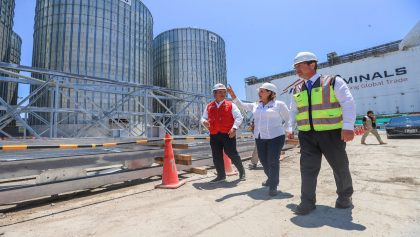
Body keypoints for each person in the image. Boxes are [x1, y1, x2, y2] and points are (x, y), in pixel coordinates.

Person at [288, 52, 356, 215]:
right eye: (295, 67)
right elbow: (293, 110)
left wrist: (348, 126)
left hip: (331, 133)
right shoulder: (297, 87)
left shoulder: (333, 81)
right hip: (307, 135)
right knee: (307, 169)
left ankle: (344, 197)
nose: (296, 69)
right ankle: (307, 202)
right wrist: (290, 128)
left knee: (340, 167)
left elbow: (347, 102)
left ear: (312, 65)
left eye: (299, 65)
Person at [227, 82, 289, 196]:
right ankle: (270, 178)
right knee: (263, 160)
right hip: (260, 137)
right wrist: (232, 94)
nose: (259, 93)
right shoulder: (256, 105)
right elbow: (241, 105)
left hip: (276, 137)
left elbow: (288, 117)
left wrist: (284, 130)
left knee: (272, 161)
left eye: (262, 91)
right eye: (259, 91)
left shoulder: (279, 104)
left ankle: (273, 185)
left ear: (270, 92)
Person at [201, 83, 246, 183]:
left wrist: (234, 128)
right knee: (216, 155)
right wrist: (204, 121)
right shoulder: (209, 106)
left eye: (224, 92)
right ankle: (221, 176)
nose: (223, 94)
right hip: (214, 134)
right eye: (220, 92)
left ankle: (242, 172)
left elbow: (239, 117)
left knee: (232, 153)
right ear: (214, 93)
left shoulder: (231, 105)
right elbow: (203, 117)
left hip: (228, 134)